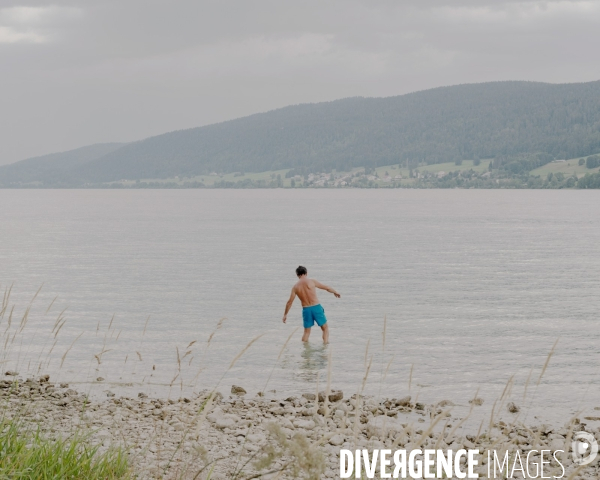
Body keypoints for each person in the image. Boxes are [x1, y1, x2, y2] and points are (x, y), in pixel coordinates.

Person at [282, 266, 340, 343]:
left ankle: (305, 352)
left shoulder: (295, 287)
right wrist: (335, 292)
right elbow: (326, 287)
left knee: (306, 332)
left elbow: (289, 302)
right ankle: (325, 347)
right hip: (316, 308)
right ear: (306, 273)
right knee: (325, 328)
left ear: (297, 275)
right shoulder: (312, 281)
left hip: (306, 310)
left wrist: (285, 314)